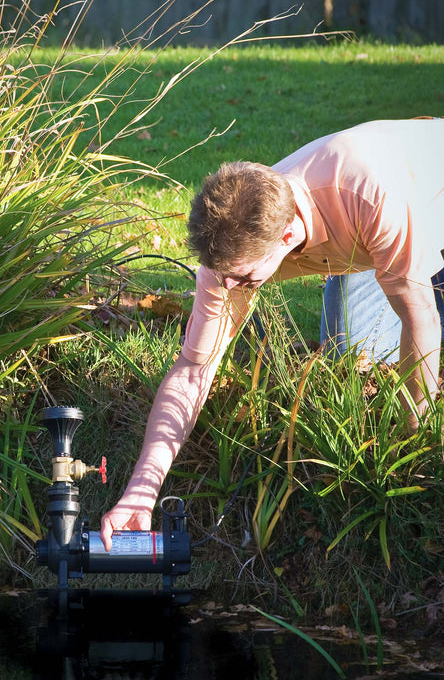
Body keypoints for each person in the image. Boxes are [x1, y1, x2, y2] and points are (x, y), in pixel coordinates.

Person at [100, 118, 444, 551]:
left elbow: (421, 320)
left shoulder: (367, 194)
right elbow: (193, 370)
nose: (227, 289)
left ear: (285, 236)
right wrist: (141, 491)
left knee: (420, 318)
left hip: (427, 194)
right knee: (352, 346)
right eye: (223, 276)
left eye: (242, 279)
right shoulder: (227, 256)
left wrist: (411, 453)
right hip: (371, 243)